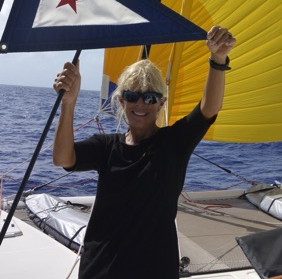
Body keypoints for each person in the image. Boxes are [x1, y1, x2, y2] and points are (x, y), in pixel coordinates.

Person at [52, 25, 236, 279]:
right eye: (132, 96)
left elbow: (209, 108)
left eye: (150, 98)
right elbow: (63, 158)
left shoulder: (174, 143)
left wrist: (218, 59)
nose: (140, 103)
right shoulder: (106, 147)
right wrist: (68, 103)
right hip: (100, 269)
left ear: (161, 103)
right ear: (121, 101)